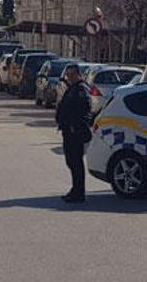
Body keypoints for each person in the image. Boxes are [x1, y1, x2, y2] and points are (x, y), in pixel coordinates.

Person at [55, 65, 91, 203]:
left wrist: (74, 126)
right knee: (71, 162)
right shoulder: (72, 88)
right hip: (68, 131)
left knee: (76, 162)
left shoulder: (81, 89)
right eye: (67, 75)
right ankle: (75, 189)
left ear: (78, 74)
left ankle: (79, 192)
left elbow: (84, 111)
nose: (69, 77)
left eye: (72, 74)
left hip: (75, 132)